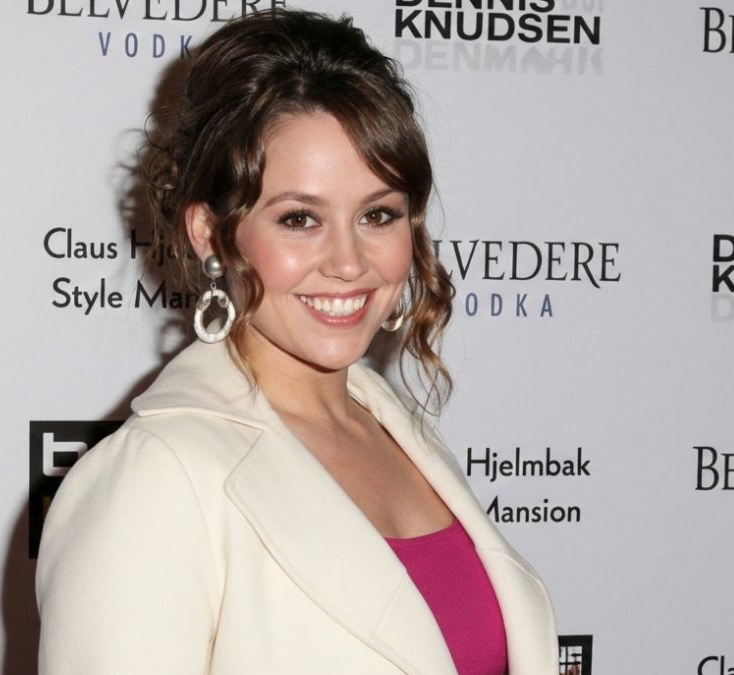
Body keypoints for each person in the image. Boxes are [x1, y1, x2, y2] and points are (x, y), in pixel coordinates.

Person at [36, 9, 558, 675]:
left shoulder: (398, 431)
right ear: (210, 233)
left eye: (378, 214)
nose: (348, 261)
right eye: (300, 219)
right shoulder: (155, 478)